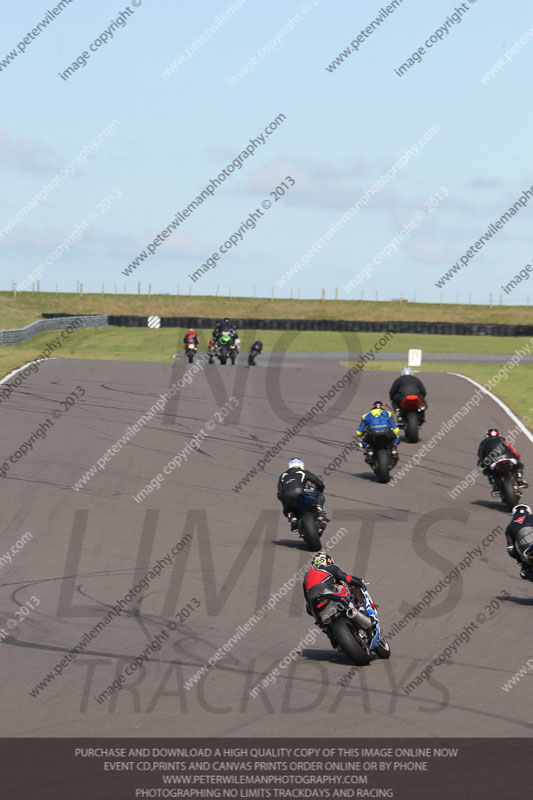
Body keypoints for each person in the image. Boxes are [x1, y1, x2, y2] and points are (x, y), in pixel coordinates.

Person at [303, 552, 370, 646]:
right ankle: (362, 609)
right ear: (328, 560)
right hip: (330, 596)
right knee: (353, 587)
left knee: (322, 624)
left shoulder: (306, 577)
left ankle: (331, 634)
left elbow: (308, 607)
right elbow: (347, 578)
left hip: (314, 606)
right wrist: (359, 582)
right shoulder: (330, 567)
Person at [277, 458, 328, 533]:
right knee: (319, 495)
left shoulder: (283, 475)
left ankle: (292, 518)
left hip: (285, 496)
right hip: (299, 492)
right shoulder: (303, 472)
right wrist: (320, 488)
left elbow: (279, 493)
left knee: (287, 508)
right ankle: (320, 512)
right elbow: (317, 482)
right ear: (301, 465)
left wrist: (283, 498)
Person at [477, 428, 527, 496]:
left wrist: (481, 463)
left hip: (494, 462)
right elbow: (512, 449)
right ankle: (519, 477)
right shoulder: (503, 439)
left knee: (487, 470)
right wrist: (518, 456)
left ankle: (495, 485)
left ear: (487, 435)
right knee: (519, 464)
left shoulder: (483, 443)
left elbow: (481, 455)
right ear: (498, 434)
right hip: (508, 458)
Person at [505, 504, 533, 580]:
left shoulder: (509, 527)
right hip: (529, 552)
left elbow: (511, 550)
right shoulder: (531, 516)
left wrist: (520, 560)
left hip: (528, 554)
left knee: (523, 573)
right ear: (528, 511)